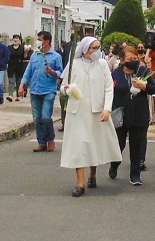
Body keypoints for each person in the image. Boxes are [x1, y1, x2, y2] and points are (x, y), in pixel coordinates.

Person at [59, 37, 122, 197]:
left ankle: (92, 174)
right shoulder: (74, 64)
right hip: (77, 112)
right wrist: (67, 89)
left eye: (98, 47)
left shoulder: (102, 65)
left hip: (96, 111)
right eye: (93, 48)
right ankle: (79, 183)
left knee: (93, 144)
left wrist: (107, 109)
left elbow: (109, 88)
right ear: (85, 49)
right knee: (80, 146)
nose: (96, 51)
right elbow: (62, 86)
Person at [110, 46, 155, 185]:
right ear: (122, 60)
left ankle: (135, 174)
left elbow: (154, 89)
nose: (133, 61)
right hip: (121, 115)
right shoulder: (115, 74)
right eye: (130, 59)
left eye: (135, 58)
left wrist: (144, 86)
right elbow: (109, 92)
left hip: (139, 115)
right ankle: (114, 165)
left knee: (137, 145)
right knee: (118, 144)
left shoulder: (143, 72)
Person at [19, 31, 64, 153]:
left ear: (47, 41)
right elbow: (28, 71)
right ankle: (41, 142)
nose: (38, 42)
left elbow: (61, 73)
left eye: (40, 40)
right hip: (35, 90)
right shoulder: (35, 55)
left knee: (45, 117)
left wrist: (53, 72)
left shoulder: (56, 56)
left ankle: (50, 139)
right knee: (37, 118)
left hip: (49, 89)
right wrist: (22, 85)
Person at [6, 34, 25, 102]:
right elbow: (7, 56)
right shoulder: (9, 47)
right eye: (14, 38)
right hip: (11, 66)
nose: (15, 39)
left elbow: (24, 57)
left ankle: (18, 95)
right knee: (11, 81)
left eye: (17, 38)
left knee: (18, 81)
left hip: (19, 66)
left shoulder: (22, 47)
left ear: (19, 39)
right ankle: (10, 95)